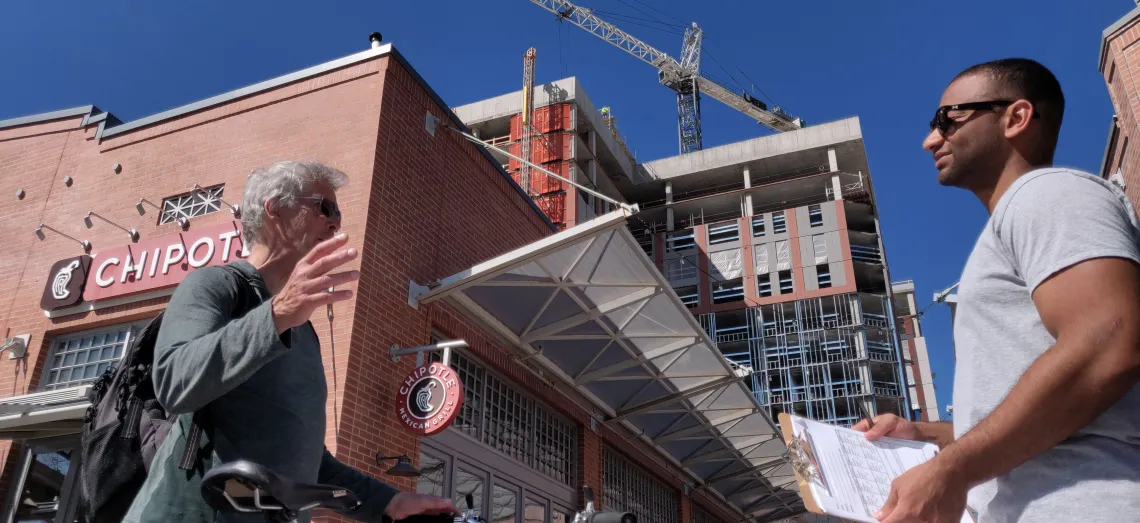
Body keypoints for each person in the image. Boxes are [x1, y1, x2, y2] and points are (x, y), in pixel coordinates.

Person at [853, 58, 1140, 522]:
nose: (930, 139)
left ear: (1016, 118)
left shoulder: (1048, 192)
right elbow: (1034, 421)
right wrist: (923, 435)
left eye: (947, 120)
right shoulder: (1021, 218)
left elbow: (1109, 342)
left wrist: (953, 468)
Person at [123, 161, 457, 522]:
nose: (335, 222)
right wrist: (276, 315)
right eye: (324, 207)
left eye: (339, 213)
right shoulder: (215, 286)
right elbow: (174, 383)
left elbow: (309, 462)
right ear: (275, 208)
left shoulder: (303, 330)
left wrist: (390, 502)